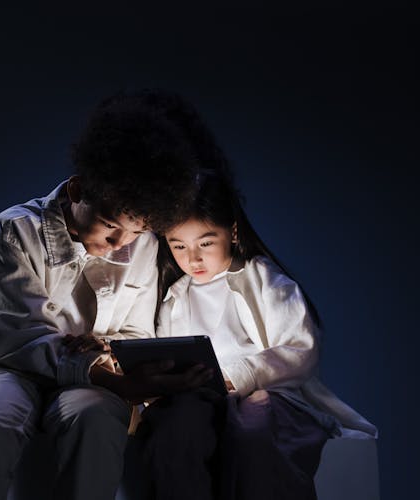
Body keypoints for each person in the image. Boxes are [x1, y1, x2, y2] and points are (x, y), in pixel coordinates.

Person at [0, 89, 219, 500]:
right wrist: (98, 371)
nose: (121, 243)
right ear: (78, 190)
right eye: (109, 226)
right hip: (6, 368)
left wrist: (111, 349)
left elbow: (136, 329)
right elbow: (20, 337)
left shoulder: (143, 246)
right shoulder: (14, 230)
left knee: (98, 419)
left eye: (136, 231)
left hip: (94, 375)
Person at [135, 157, 378, 498]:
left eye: (205, 243)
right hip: (205, 397)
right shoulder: (174, 296)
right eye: (179, 246)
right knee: (178, 428)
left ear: (232, 231)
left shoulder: (264, 279)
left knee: (254, 426)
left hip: (270, 393)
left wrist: (238, 376)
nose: (193, 259)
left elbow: (299, 350)